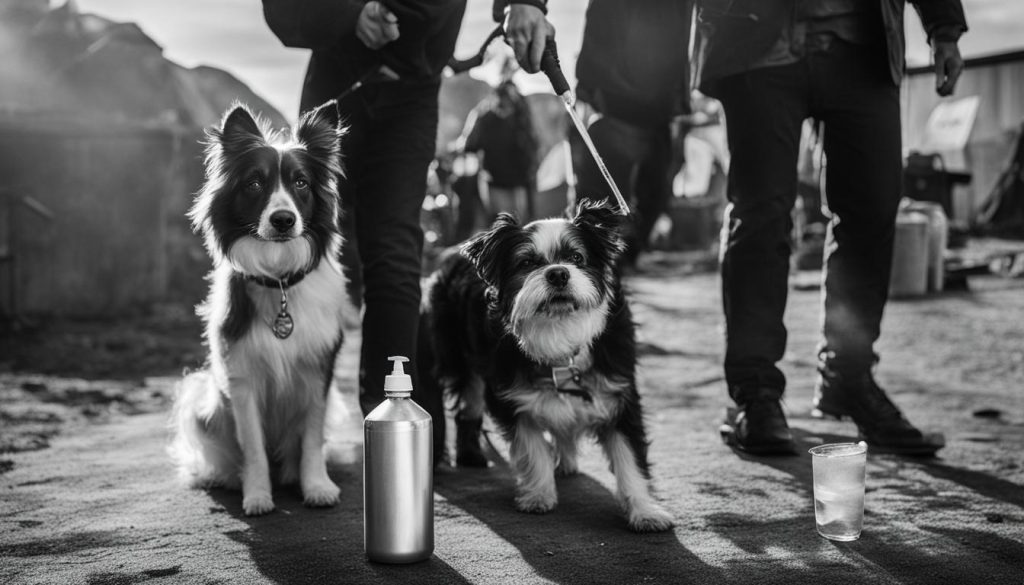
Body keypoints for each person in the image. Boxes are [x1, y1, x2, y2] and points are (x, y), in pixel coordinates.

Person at [694, 0, 967, 456]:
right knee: (760, 215)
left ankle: (849, 377)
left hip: (864, 42)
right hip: (754, 38)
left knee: (872, 209)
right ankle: (755, 391)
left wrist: (944, 27)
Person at [262, 0, 466, 459]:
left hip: (414, 93)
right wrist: (350, 12)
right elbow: (282, 12)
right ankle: (291, 437)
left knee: (395, 251)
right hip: (333, 85)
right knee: (305, 256)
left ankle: (401, 433)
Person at [570, 0, 694, 269]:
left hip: (658, 111)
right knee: (598, 203)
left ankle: (625, 256)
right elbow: (599, 18)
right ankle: (597, 263)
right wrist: (587, 83)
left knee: (654, 196)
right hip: (616, 104)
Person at [458, 79, 539, 222]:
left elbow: (531, 146)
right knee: (501, 225)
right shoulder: (485, 118)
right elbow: (470, 146)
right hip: (495, 183)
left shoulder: (521, 117)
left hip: (517, 183)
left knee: (518, 226)